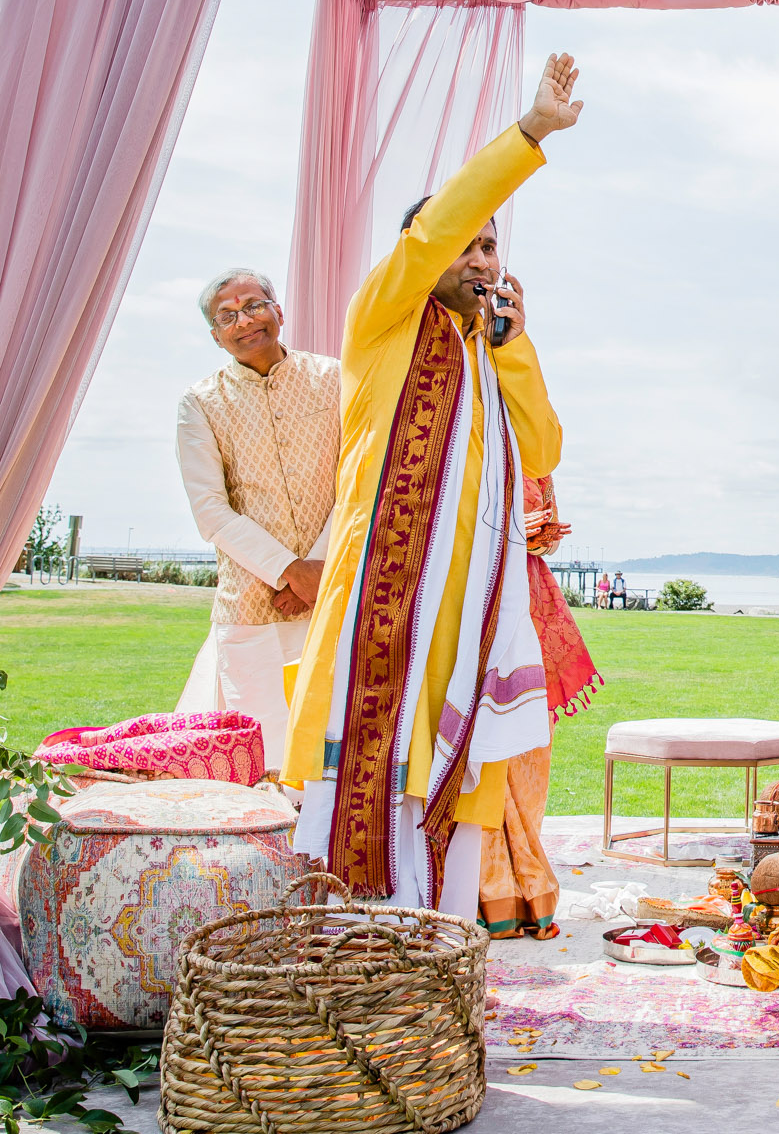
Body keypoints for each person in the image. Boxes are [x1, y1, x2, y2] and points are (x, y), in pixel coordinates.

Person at [282, 54, 583, 915]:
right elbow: (437, 227)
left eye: (495, 245)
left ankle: (442, 960)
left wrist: (513, 346)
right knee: (371, 774)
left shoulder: (483, 351)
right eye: (470, 241)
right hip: (388, 599)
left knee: (459, 782)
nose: (484, 256)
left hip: (470, 613)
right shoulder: (384, 316)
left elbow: (544, 445)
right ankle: (358, 944)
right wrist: (529, 135)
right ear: (429, 250)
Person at [174, 270, 340, 768]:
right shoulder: (201, 403)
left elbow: (360, 478)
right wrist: (291, 571)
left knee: (334, 749)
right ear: (216, 335)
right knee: (260, 756)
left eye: (254, 305)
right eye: (228, 316)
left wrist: (320, 568)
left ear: (279, 312)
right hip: (252, 599)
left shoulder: (336, 379)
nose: (244, 320)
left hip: (337, 589)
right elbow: (211, 512)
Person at [477, 474, 603, 939]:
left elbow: (542, 543)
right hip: (481, 600)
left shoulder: (538, 455)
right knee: (487, 752)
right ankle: (489, 893)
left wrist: (540, 537)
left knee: (531, 754)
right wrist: (509, 530)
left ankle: (527, 887)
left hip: (531, 601)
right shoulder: (466, 431)